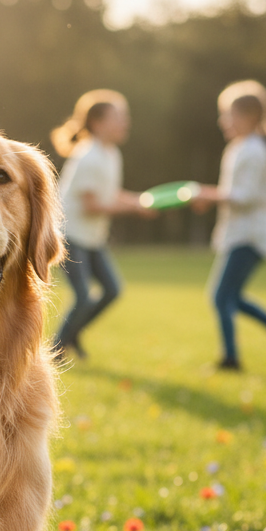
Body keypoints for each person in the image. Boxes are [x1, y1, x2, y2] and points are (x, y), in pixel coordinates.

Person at [193, 81, 266, 371]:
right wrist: (213, 195)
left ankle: (231, 359)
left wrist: (210, 194)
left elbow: (246, 196)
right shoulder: (240, 148)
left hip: (250, 236)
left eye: (227, 114)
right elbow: (235, 193)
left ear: (248, 117)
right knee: (231, 298)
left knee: (220, 297)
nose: (222, 121)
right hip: (240, 234)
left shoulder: (254, 151)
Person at [50, 89, 154, 360]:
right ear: (97, 123)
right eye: (119, 117)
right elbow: (92, 204)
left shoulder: (111, 154)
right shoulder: (88, 156)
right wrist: (134, 208)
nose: (125, 123)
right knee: (83, 297)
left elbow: (111, 194)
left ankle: (73, 332)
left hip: (92, 238)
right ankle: (55, 352)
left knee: (112, 290)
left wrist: (142, 200)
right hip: (69, 236)